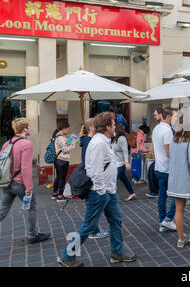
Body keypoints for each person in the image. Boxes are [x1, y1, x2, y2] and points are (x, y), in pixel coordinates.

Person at [57, 112, 137, 267]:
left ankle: (117, 253)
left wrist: (109, 190)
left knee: (116, 220)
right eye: (113, 124)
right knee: (89, 225)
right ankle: (67, 256)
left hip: (108, 191)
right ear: (107, 126)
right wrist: (101, 191)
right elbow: (95, 170)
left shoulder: (104, 141)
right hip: (99, 192)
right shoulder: (99, 143)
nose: (115, 126)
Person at [0, 118, 51, 244]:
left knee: (2, 211)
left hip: (6, 182)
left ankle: (33, 234)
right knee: (32, 207)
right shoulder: (27, 144)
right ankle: (32, 235)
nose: (30, 128)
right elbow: (26, 168)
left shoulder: (7, 143)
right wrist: (29, 188)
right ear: (24, 129)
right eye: (29, 126)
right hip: (19, 183)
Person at [79, 119, 109, 240]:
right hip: (93, 184)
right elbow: (92, 164)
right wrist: (100, 188)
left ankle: (95, 230)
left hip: (96, 184)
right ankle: (68, 254)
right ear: (91, 127)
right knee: (88, 221)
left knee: (92, 216)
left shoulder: (91, 141)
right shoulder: (91, 142)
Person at [151, 109, 177, 233]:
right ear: (168, 117)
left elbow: (153, 148)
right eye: (173, 117)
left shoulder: (156, 129)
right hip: (168, 168)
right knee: (178, 194)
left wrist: (157, 161)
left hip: (159, 167)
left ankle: (163, 222)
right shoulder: (167, 131)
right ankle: (168, 218)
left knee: (162, 195)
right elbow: (168, 152)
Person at [52, 122, 79, 202]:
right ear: (63, 128)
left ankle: (55, 194)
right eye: (67, 129)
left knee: (58, 177)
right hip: (63, 160)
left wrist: (70, 140)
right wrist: (74, 143)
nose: (68, 130)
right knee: (62, 178)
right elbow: (65, 149)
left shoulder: (59, 137)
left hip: (58, 159)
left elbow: (65, 145)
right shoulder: (61, 138)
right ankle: (60, 196)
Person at [112, 127, 136, 201]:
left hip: (121, 164)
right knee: (124, 179)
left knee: (113, 180)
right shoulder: (114, 139)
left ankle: (112, 198)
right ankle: (132, 193)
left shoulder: (122, 138)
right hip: (116, 163)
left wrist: (126, 162)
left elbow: (125, 151)